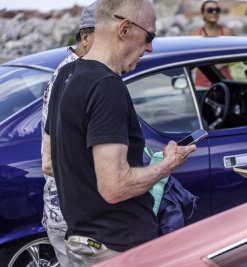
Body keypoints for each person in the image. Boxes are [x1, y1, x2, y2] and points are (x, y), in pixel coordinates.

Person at [42, 0, 196, 265]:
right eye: (149, 36)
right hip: (118, 245)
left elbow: (50, 160)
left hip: (82, 241)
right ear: (124, 28)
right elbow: (116, 187)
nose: (150, 47)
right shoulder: (106, 86)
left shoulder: (65, 74)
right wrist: (168, 164)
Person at [41, 2, 97, 266]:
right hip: (75, 218)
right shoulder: (72, 78)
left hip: (68, 214)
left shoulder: (72, 73)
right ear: (85, 37)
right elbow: (51, 162)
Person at [190, 1, 234, 87]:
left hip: (225, 82)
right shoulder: (194, 35)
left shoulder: (227, 32)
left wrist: (223, 63)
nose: (214, 12)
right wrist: (188, 86)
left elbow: (237, 55)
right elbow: (189, 62)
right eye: (210, 10)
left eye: (217, 10)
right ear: (203, 14)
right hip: (201, 85)